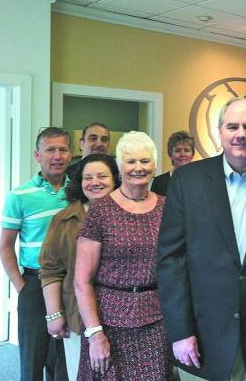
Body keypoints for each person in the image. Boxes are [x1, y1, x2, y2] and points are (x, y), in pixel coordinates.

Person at [157, 98, 246, 381]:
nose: (240, 134)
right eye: (232, 126)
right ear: (219, 131)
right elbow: (171, 260)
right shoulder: (187, 180)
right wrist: (180, 331)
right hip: (204, 338)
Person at [74, 131, 172, 380]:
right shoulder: (101, 211)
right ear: (119, 166)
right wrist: (95, 334)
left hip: (156, 321)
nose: (138, 168)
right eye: (131, 161)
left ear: (155, 165)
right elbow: (82, 281)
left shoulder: (168, 207)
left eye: (145, 161)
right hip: (109, 324)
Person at [0, 126, 72, 381]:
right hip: (33, 283)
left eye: (63, 149)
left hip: (70, 285)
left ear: (70, 154)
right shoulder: (19, 195)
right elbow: (5, 246)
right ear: (37, 155)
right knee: (32, 359)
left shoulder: (78, 192)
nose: (57, 155)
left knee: (65, 359)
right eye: (50, 149)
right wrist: (21, 286)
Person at [39, 154, 120, 381]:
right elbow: (50, 270)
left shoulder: (131, 213)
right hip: (77, 316)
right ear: (79, 182)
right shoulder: (63, 219)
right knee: (80, 375)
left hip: (123, 315)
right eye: (88, 177)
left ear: (115, 179)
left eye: (102, 176)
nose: (95, 182)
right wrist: (53, 314)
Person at [151, 130, 195, 196]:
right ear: (170, 154)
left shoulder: (201, 180)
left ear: (192, 154)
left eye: (187, 150)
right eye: (177, 151)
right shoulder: (159, 182)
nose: (182, 154)